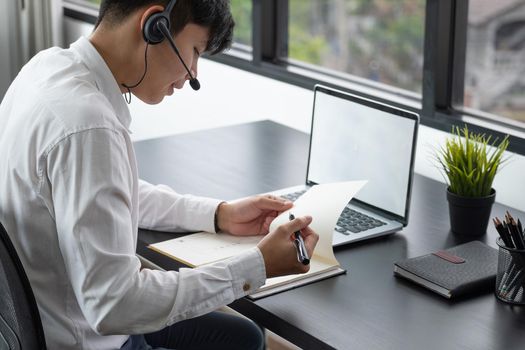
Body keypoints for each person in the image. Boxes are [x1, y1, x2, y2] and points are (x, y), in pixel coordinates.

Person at [0, 0, 319, 349]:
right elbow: (115, 304)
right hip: (88, 337)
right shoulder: (88, 126)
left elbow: (108, 192)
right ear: (154, 25)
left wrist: (218, 213)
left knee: (244, 334)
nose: (192, 74)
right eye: (194, 51)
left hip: (47, 319)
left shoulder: (45, 68)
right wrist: (257, 265)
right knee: (244, 340)